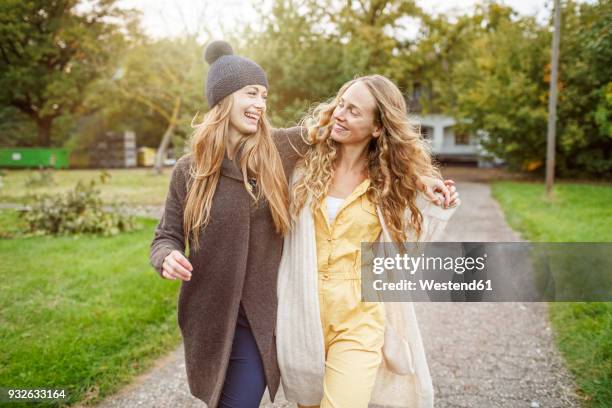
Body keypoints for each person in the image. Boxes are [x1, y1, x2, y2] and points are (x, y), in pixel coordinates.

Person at [276, 74, 460, 408]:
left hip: (359, 316)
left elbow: (415, 246)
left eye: (354, 111)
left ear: (377, 128)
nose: (340, 115)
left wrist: (433, 200)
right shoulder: (302, 165)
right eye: (341, 104)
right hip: (303, 310)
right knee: (308, 401)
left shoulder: (390, 184)